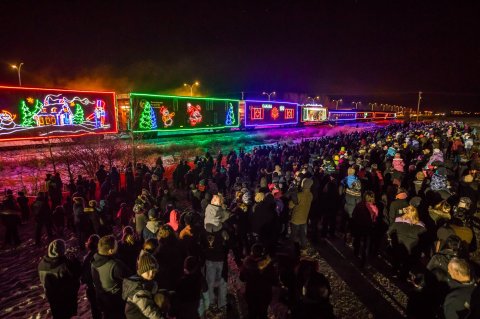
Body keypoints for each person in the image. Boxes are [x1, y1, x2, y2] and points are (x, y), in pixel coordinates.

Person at [91, 235, 132, 319]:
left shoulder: (93, 262)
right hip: (117, 302)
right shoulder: (115, 265)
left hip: (103, 301)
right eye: (116, 245)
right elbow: (130, 277)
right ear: (110, 251)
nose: (118, 246)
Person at [38, 239, 81, 319]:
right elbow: (77, 274)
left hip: (52, 297)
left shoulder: (42, 264)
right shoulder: (64, 265)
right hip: (65, 299)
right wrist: (74, 261)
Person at [122, 252, 166, 319]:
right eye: (147, 271)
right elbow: (149, 310)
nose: (151, 274)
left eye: (154, 271)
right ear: (141, 271)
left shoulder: (146, 282)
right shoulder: (139, 290)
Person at [240, 243, 275, 319]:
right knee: (263, 314)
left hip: (252, 292)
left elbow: (242, 278)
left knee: (252, 314)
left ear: (252, 251)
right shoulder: (268, 262)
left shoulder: (247, 262)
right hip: (265, 292)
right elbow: (273, 278)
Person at [351, 191, 378, 267]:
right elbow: (375, 219)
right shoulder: (373, 207)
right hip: (367, 228)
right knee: (365, 244)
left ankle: (356, 252)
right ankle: (363, 260)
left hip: (359, 226)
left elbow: (354, 215)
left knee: (358, 239)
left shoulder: (359, 205)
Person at [289, 178, 314, 254]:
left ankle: (293, 249)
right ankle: (304, 249)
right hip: (304, 218)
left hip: (296, 218)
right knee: (303, 234)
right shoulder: (310, 195)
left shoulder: (299, 195)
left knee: (294, 235)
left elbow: (290, 205)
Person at [81, 234, 102, 319]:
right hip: (100, 287)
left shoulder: (86, 258)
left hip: (91, 289)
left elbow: (83, 278)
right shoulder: (100, 256)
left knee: (95, 311)